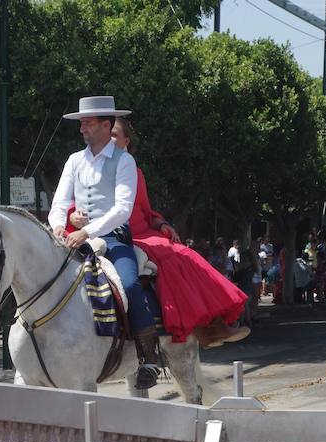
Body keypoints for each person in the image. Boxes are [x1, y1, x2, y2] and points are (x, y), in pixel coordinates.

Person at [68, 116, 248, 348]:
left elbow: (144, 208)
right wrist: (72, 214)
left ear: (126, 141)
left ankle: (210, 324)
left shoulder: (131, 168)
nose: (110, 139)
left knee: (185, 254)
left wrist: (160, 223)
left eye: (115, 135)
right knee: (172, 258)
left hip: (140, 230)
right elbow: (83, 199)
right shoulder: (85, 163)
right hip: (119, 232)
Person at [48, 95, 161, 389]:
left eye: (87, 122)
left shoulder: (124, 161)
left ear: (105, 124)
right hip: (73, 239)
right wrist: (59, 226)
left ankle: (148, 357)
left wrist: (87, 232)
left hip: (112, 239)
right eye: (82, 123)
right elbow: (59, 202)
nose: (82, 128)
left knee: (130, 283)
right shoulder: (74, 161)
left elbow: (122, 209)